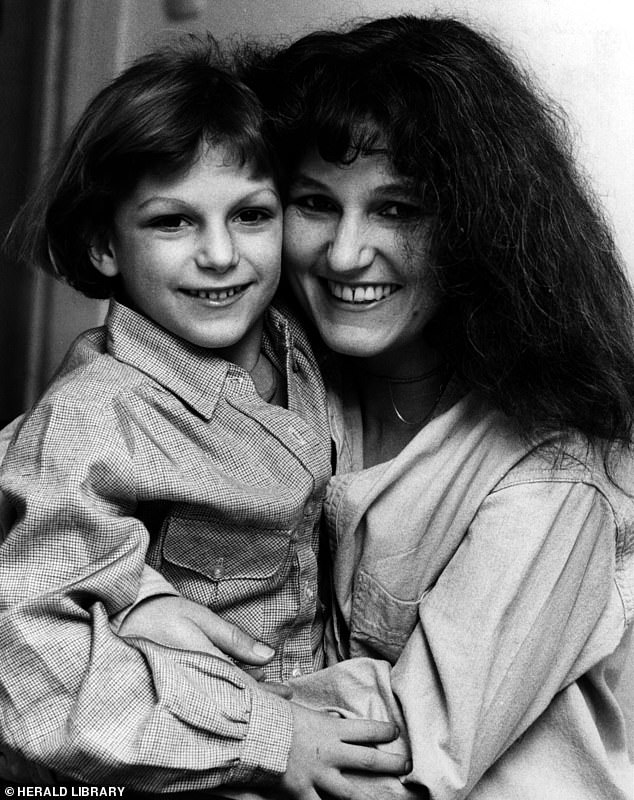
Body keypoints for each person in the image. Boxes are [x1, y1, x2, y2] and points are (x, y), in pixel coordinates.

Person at [118, 14, 634, 799]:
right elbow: (51, 553)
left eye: (398, 210)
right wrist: (131, 603)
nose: (347, 253)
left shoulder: (557, 469)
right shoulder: (276, 385)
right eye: (315, 204)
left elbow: (397, 762)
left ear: (480, 226)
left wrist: (160, 688)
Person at [0, 37, 409, 796]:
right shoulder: (94, 417)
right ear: (104, 242)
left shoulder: (301, 346)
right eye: (173, 223)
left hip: (320, 711)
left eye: (251, 215)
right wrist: (271, 737)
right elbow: (26, 662)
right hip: (182, 764)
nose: (220, 255)